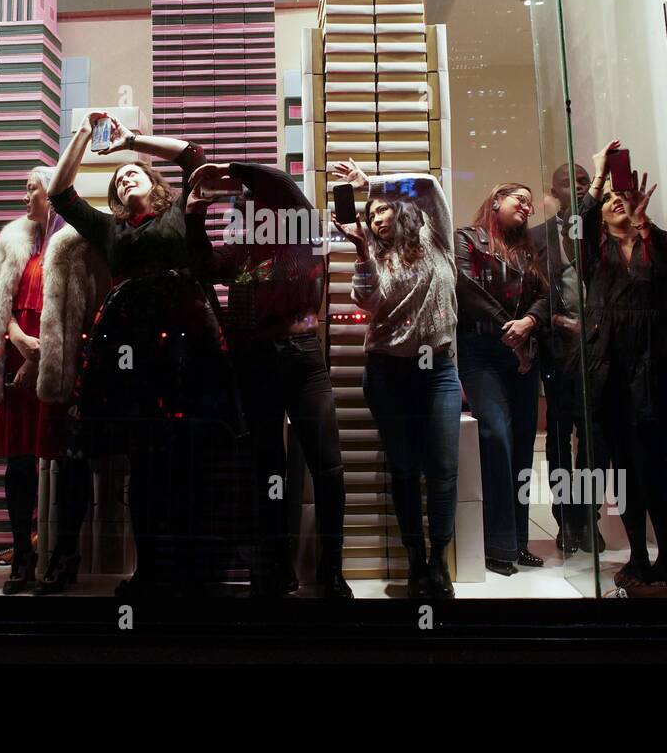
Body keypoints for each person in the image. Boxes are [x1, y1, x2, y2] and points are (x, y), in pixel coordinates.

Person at [47, 113, 245, 597]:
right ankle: (151, 571)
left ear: (153, 182)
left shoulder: (178, 211)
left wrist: (130, 141)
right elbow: (59, 193)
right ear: (114, 195)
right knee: (144, 461)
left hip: (186, 343)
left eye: (133, 170)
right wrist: (81, 134)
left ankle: (197, 573)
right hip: (129, 349)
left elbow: (192, 154)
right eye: (119, 178)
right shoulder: (110, 229)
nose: (126, 174)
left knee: (192, 457)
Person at [186, 161, 351, 599]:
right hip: (256, 358)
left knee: (328, 466)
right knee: (267, 468)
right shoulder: (242, 251)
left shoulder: (302, 230)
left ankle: (331, 572)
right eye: (242, 204)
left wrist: (230, 168)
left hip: (301, 354)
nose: (247, 207)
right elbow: (202, 266)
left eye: (251, 199)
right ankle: (276, 570)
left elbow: (281, 185)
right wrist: (195, 213)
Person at [0, 167, 108, 595]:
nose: (26, 196)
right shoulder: (12, 241)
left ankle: (65, 557)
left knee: (68, 459)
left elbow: (94, 306)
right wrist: (18, 338)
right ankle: (22, 555)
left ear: (53, 191)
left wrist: (44, 354)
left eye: (32, 188)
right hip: (15, 362)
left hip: (62, 364)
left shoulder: (81, 241)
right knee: (19, 462)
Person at [578, 141, 667, 592]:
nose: (617, 201)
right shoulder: (592, 252)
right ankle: (637, 557)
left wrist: (644, 226)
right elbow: (572, 225)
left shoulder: (660, 245)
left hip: (655, 369)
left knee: (652, 465)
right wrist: (598, 176)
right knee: (623, 469)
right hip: (610, 370)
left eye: (623, 196)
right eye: (610, 199)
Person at [333, 159, 460, 599]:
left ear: (399, 208)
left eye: (380, 209)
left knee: (443, 469)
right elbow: (367, 302)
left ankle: (438, 561)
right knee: (405, 470)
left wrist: (372, 183)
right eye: (369, 215)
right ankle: (415, 563)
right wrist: (361, 251)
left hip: (438, 369)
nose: (375, 217)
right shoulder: (372, 256)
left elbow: (426, 184)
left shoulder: (436, 236)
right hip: (388, 371)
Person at [455, 183, 550, 577]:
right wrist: (509, 330)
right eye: (519, 200)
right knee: (496, 436)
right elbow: (466, 288)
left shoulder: (530, 250)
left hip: (522, 348)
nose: (527, 207)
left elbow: (548, 295)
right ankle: (497, 543)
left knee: (523, 443)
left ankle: (518, 541)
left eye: (530, 202)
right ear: (495, 200)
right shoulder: (468, 239)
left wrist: (529, 323)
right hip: (482, 348)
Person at [529, 162, 608, 554]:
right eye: (568, 182)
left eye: (583, 180)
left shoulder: (603, 228)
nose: (577, 187)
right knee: (559, 441)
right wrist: (553, 322)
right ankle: (565, 518)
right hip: (558, 354)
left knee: (595, 442)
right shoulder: (536, 237)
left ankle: (587, 515)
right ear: (553, 192)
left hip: (599, 352)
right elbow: (529, 296)